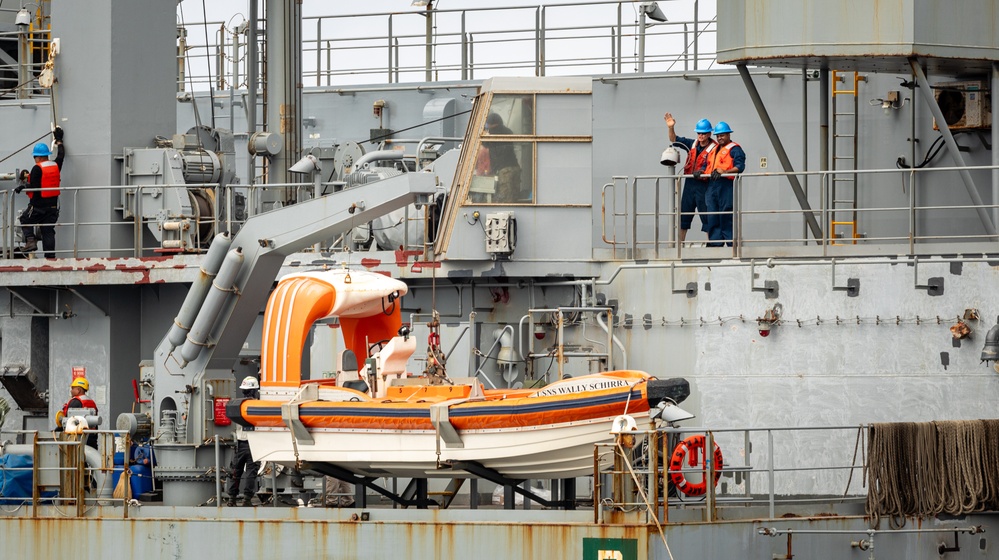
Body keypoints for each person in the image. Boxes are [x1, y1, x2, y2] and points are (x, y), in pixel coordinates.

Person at [664, 113, 717, 244]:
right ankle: (679, 246)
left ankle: (712, 246)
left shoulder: (715, 148)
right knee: (684, 216)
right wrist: (671, 127)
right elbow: (674, 139)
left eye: (704, 133)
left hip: (704, 185)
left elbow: (715, 164)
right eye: (699, 133)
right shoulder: (692, 144)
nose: (701, 136)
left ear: (709, 134)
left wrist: (703, 172)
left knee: (707, 216)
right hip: (690, 184)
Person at [16, 126, 66, 258]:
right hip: (53, 207)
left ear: (37, 157)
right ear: (47, 155)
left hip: (38, 206)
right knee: (48, 231)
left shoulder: (37, 169)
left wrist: (23, 186)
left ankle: (31, 241)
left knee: (25, 219)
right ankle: (50, 258)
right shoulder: (55, 165)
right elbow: (61, 155)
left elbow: (35, 186)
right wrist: (59, 141)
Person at [703, 121, 746, 246]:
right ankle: (715, 244)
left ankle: (731, 244)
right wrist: (700, 171)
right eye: (718, 136)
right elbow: (707, 164)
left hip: (725, 185)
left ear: (728, 135)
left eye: (722, 135)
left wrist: (725, 171)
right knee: (712, 214)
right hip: (712, 184)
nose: (720, 138)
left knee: (726, 214)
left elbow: (740, 166)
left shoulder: (735, 149)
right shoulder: (714, 150)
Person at [227, 375, 261, 506]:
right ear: (254, 391)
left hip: (240, 443)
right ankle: (247, 499)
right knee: (251, 472)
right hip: (254, 443)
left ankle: (232, 499)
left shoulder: (237, 405)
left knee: (236, 471)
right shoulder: (259, 406)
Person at [483, 113, 523, 202]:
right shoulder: (508, 131)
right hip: (515, 166)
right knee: (515, 195)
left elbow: (485, 144)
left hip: (504, 170)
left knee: (506, 198)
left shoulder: (493, 132)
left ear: (492, 124)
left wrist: (484, 133)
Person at [56, 377, 99, 448]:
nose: (71, 391)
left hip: (79, 437)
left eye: (73, 388)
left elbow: (68, 420)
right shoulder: (91, 402)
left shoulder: (75, 401)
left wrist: (56, 431)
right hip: (92, 436)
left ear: (78, 390)